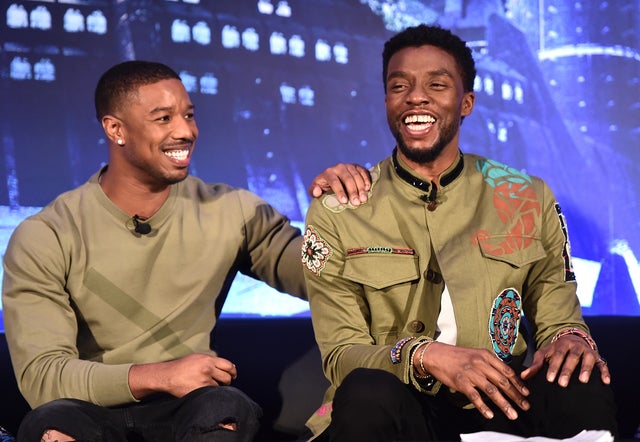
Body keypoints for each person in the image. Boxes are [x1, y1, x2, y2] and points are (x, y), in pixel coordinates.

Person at [1, 60, 369, 442]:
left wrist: (336, 214)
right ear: (115, 129)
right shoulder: (47, 234)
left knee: (226, 407)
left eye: (188, 115)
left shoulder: (232, 211)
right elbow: (43, 376)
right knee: (53, 423)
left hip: (191, 408)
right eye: (163, 118)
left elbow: (316, 274)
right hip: (88, 408)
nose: (186, 131)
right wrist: (163, 375)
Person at [301, 24, 618, 441]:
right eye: (400, 86)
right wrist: (424, 356)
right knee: (364, 391)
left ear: (466, 102)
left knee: (581, 377)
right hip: (397, 404)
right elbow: (341, 355)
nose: (416, 96)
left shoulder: (526, 196)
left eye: (436, 84)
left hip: (501, 399)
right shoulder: (338, 209)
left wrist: (570, 340)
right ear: (386, 102)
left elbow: (557, 314)